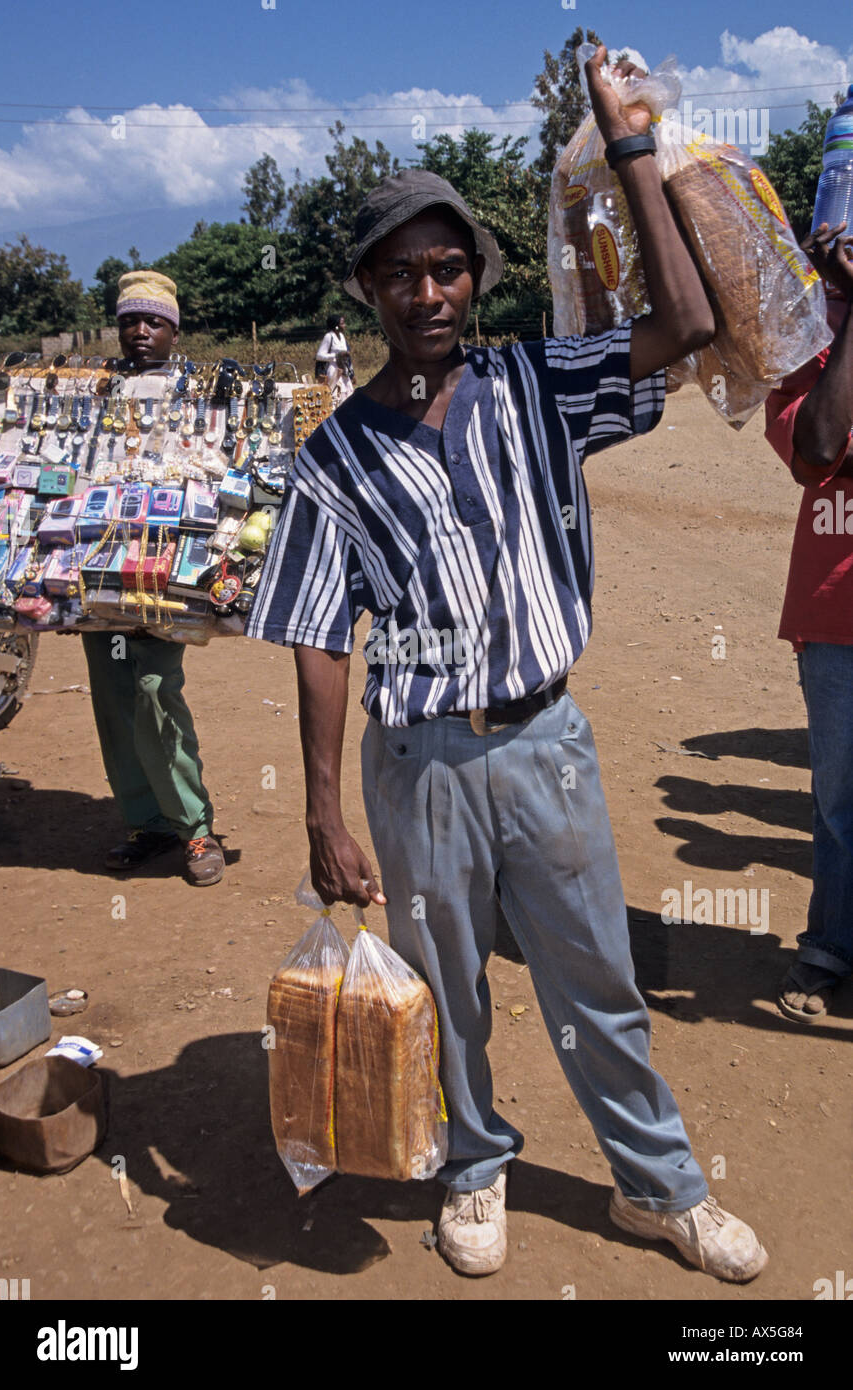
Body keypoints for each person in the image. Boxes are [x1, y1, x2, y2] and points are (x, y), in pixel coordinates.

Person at [248, 45, 767, 1282]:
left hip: (543, 747)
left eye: (445, 265)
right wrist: (324, 811)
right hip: (416, 762)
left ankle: (661, 1189)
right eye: (397, 272)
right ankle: (474, 1166)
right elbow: (323, 640)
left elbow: (687, 321)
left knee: (596, 979)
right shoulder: (332, 460)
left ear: (475, 277)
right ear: (367, 291)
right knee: (448, 991)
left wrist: (627, 136)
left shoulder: (537, 384)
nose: (425, 290)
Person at [80, 270, 225, 887]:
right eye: (128, 322)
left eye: (152, 321)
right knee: (114, 701)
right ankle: (147, 824)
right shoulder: (96, 390)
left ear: (173, 327)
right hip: (100, 569)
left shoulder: (201, 391)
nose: (139, 332)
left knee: (154, 693)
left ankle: (194, 829)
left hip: (166, 574)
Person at [764, 219, 853, 1021]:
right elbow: (820, 450)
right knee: (838, 799)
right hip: (835, 618)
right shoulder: (804, 348)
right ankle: (831, 947)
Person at [315, 314, 353, 404]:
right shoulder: (329, 337)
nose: (344, 325)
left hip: (344, 370)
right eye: (342, 323)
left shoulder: (342, 337)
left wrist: (351, 371)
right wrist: (336, 356)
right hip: (333, 370)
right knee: (336, 395)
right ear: (336, 326)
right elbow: (319, 355)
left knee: (348, 393)